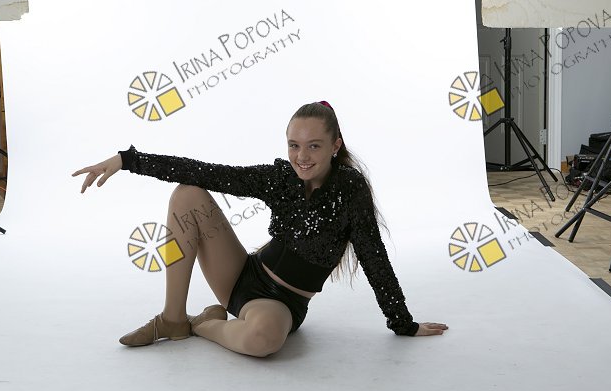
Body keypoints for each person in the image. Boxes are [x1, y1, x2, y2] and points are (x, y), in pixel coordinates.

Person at [72, 101, 448, 357]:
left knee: (262, 340)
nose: (302, 156)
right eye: (294, 145)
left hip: (280, 305)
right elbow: (204, 172)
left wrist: (402, 322)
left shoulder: (350, 189)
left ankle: (203, 325)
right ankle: (173, 318)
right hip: (240, 274)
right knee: (187, 195)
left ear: (335, 145)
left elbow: (373, 254)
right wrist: (127, 160)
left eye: (314, 146)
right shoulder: (280, 178)